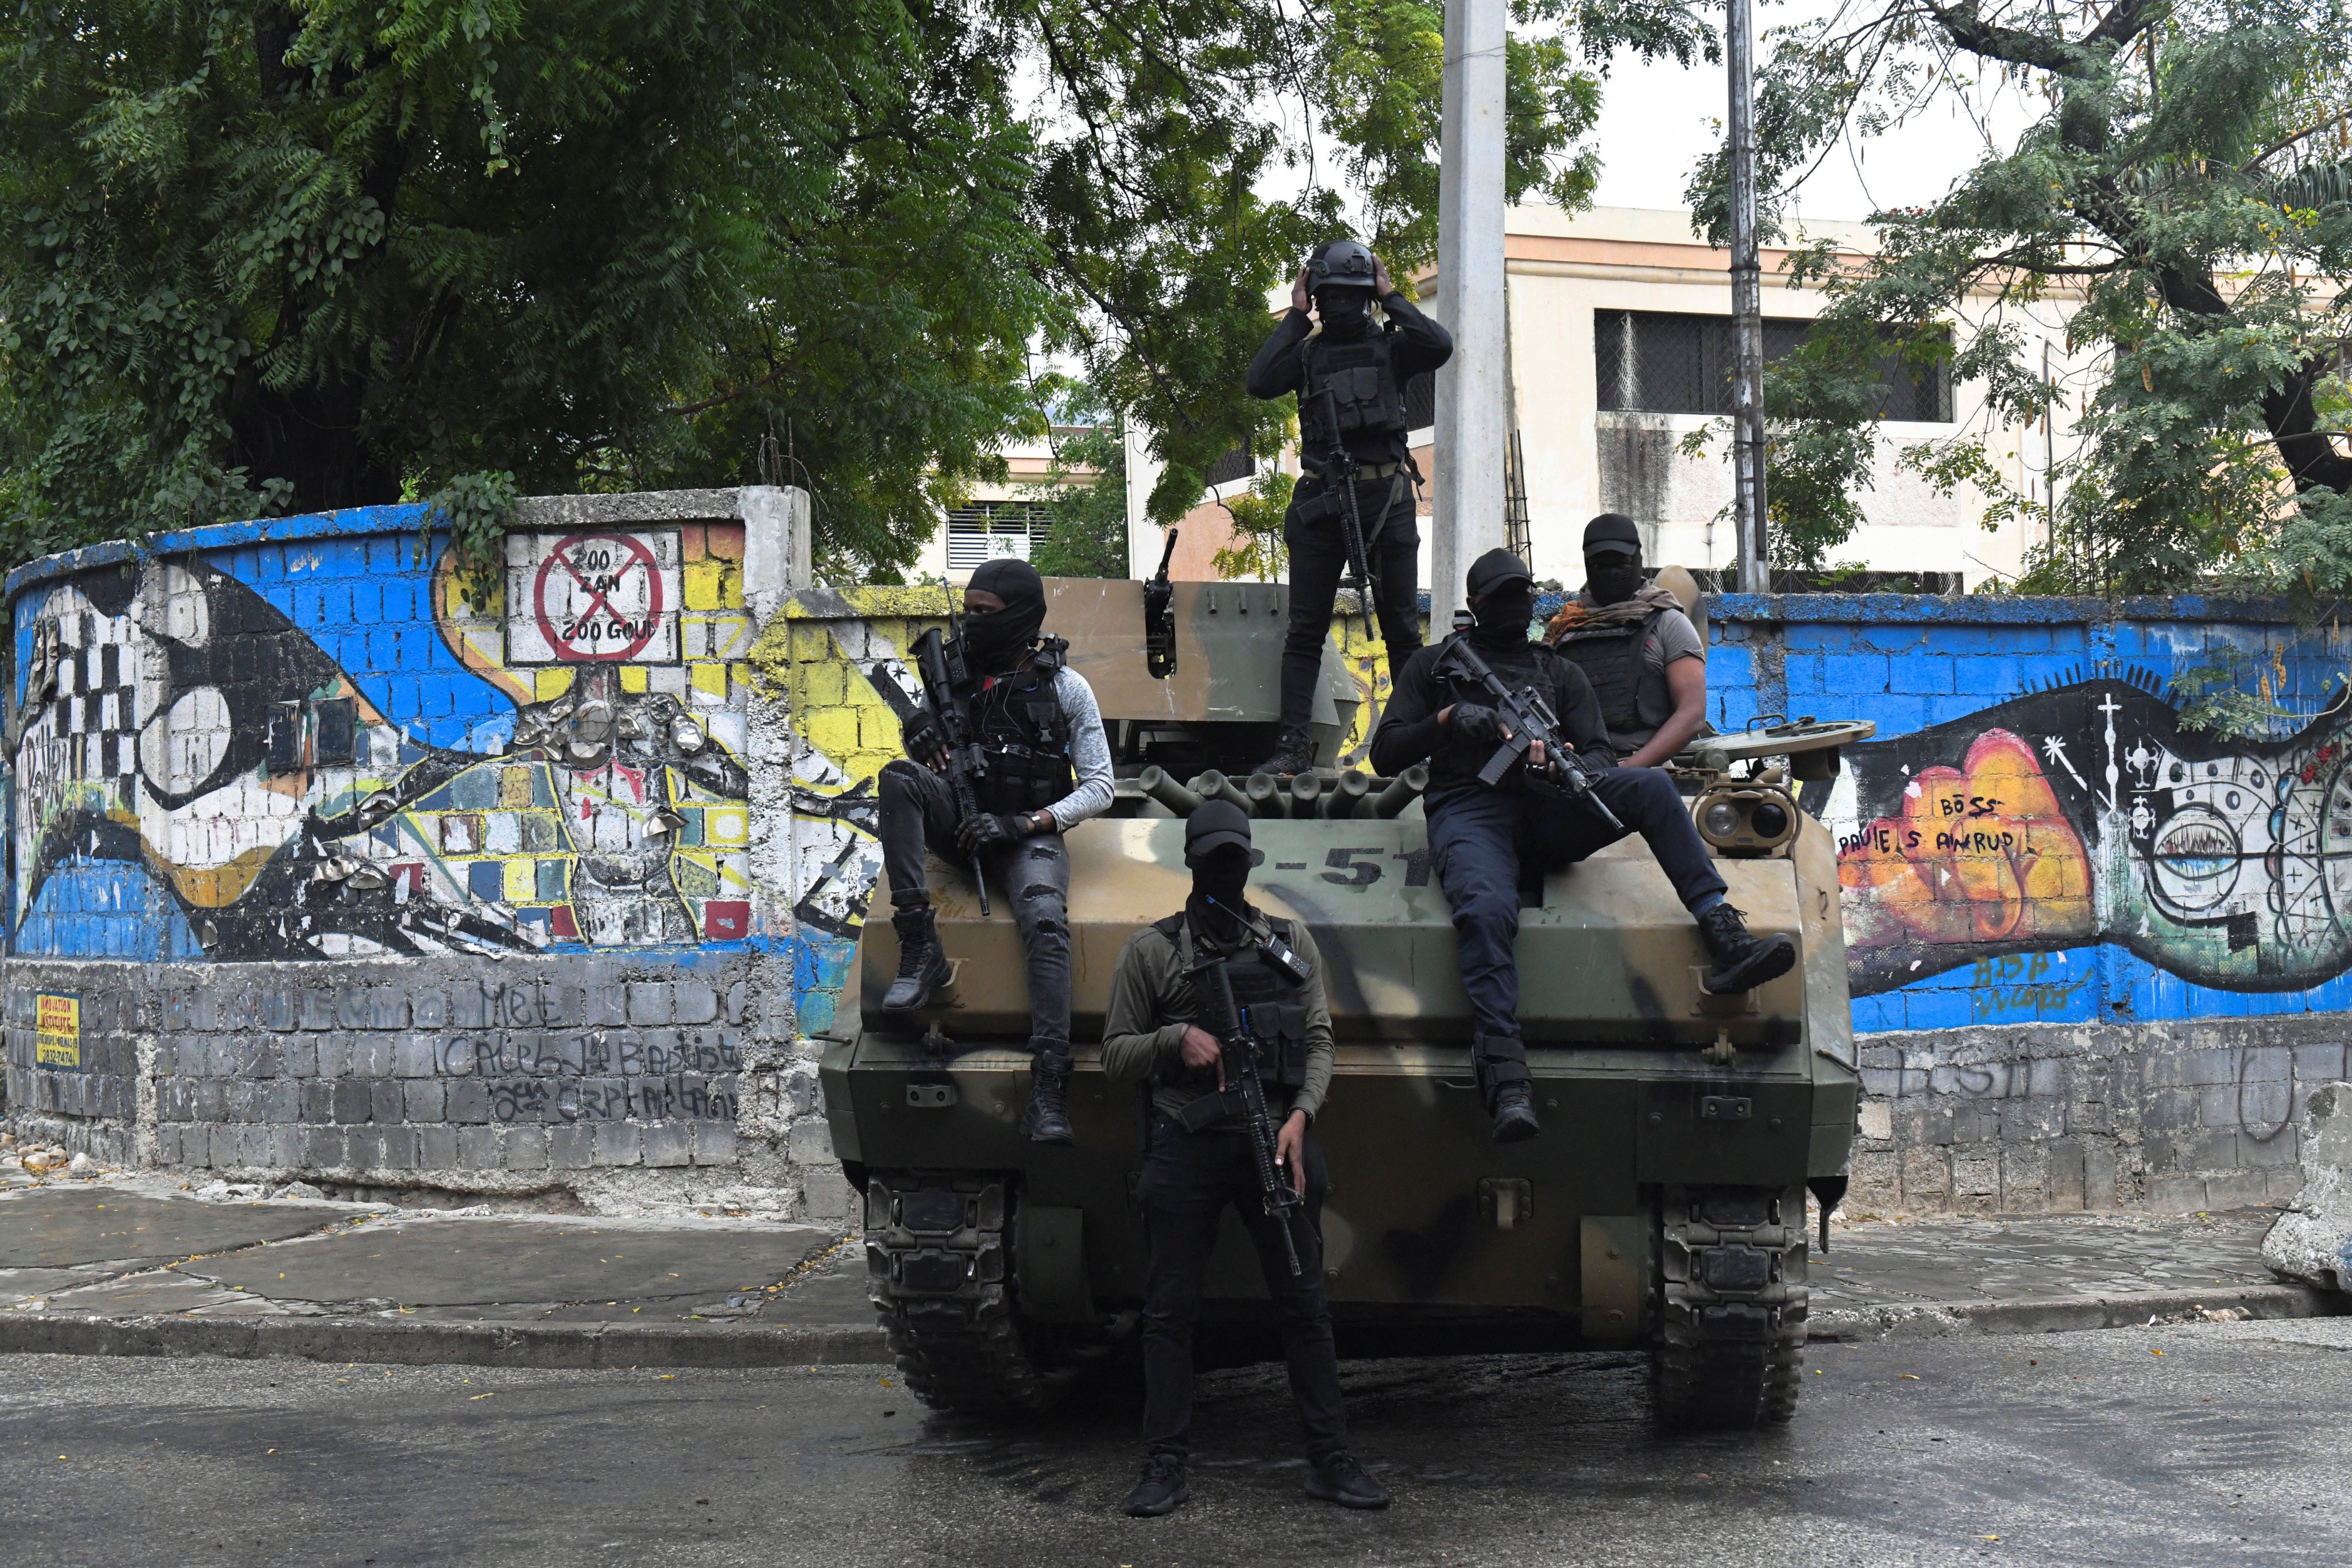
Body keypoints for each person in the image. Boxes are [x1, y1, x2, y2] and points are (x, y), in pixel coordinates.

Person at [1366, 549, 1795, 1144]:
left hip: (1550, 807)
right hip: (1471, 809)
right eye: (1503, 597)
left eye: (1523, 595)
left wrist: (1561, 765)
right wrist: (1446, 721)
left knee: (1648, 786)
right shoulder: (1433, 667)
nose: (1517, 607)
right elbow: (1384, 755)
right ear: (1478, 605)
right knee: (1487, 910)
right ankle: (1506, 1076)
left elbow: (1597, 752)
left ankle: (1723, 932)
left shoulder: (1558, 672)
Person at [1100, 800, 1389, 1517]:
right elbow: (1113, 1055)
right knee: (1169, 1312)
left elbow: (1319, 1041)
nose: (1225, 872)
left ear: (1249, 863)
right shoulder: (1153, 952)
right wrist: (1176, 1042)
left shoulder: (1288, 943)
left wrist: (1300, 1116)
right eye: (1214, 860)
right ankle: (1164, 1464)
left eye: (1236, 859)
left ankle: (1331, 1459)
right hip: (1188, 1144)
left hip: (1277, 1145)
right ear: (1193, 866)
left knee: (1305, 1305)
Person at [877, 558, 1113, 1144]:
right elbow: (926, 759)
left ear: (1023, 616)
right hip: (960, 825)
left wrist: (1025, 823)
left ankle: (1050, 1086)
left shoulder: (1065, 687)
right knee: (898, 777)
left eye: (987, 613)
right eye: (969, 611)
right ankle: (920, 946)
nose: (973, 622)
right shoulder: (952, 678)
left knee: (1046, 923)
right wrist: (920, 730)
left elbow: (1101, 786)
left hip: (1025, 838)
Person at [1245, 237, 1454, 776]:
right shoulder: (1307, 352)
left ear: (1367, 297)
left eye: (1351, 296)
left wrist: (1394, 298)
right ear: (1316, 295)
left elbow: (1440, 346)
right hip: (1321, 501)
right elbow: (1259, 382)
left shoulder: (1394, 346)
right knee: (1305, 631)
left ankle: (1410, 744)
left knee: (1403, 631)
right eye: (1328, 296)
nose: (1339, 306)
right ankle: (1294, 747)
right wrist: (1294, 318)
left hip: (1386, 500)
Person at [1545, 513, 1709, 767]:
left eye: (1620, 561)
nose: (1611, 571)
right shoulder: (1564, 628)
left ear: (1638, 559)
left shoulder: (1667, 622)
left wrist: (1628, 769)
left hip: (1649, 773)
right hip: (1574, 771)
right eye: (1601, 563)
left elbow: (1692, 714)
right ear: (1588, 563)